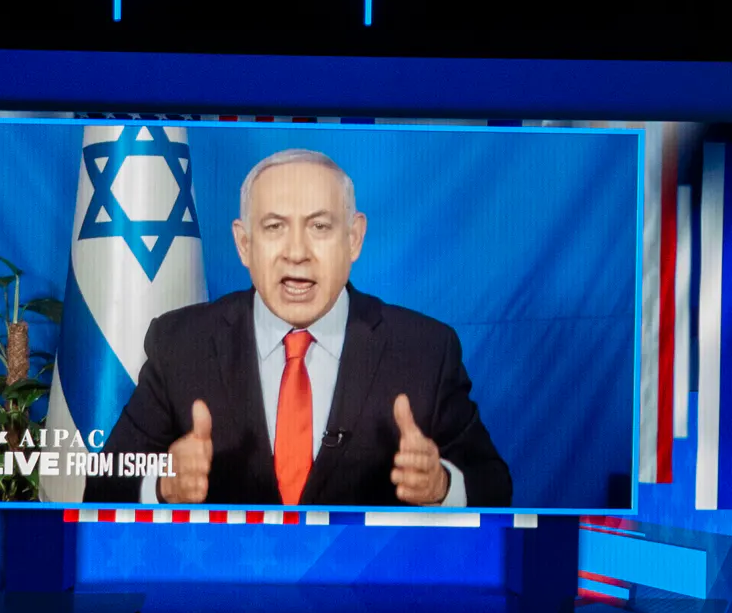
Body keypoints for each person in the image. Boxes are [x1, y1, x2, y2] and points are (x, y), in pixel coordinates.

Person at [85, 149, 511, 508]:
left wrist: (442, 486)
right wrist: (162, 484)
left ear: (355, 239)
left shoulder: (425, 351)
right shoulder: (180, 345)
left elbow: (494, 486)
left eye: (320, 226)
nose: (296, 252)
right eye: (274, 227)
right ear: (244, 244)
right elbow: (100, 487)